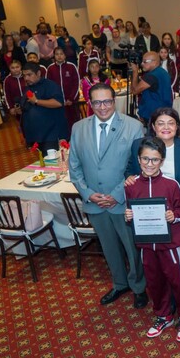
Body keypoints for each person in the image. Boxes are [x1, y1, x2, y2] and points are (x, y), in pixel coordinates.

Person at [68, 83, 147, 309]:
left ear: (115, 101)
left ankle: (139, 288)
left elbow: (139, 166)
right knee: (109, 247)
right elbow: (74, 167)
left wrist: (116, 194)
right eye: (97, 102)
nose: (103, 107)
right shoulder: (78, 128)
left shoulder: (133, 126)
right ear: (89, 103)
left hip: (123, 201)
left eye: (107, 101)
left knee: (132, 249)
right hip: (95, 203)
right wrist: (89, 194)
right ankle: (119, 283)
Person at [124, 136, 180, 341]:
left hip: (169, 244)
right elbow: (130, 212)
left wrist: (174, 216)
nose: (149, 164)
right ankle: (163, 316)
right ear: (138, 159)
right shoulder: (131, 185)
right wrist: (128, 216)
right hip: (146, 245)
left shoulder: (171, 184)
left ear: (162, 161)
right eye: (145, 159)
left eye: (154, 160)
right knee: (154, 282)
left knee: (177, 281)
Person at [21, 61, 69, 151]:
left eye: (29, 75)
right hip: (37, 136)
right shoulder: (29, 87)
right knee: (44, 162)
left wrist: (36, 101)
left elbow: (58, 103)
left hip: (51, 135)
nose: (26, 78)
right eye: (24, 75)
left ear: (38, 73)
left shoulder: (50, 85)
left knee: (53, 162)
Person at [130, 51, 173, 125]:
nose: (142, 64)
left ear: (154, 62)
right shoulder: (163, 72)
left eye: (145, 62)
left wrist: (135, 72)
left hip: (153, 114)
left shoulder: (151, 76)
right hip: (164, 111)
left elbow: (134, 91)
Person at [46, 47, 81, 131]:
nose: (59, 56)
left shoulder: (71, 66)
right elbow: (48, 86)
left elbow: (76, 84)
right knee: (60, 122)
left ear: (65, 55)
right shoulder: (50, 68)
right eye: (57, 54)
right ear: (54, 56)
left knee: (74, 122)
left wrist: (71, 99)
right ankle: (63, 140)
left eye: (61, 54)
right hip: (57, 102)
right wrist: (54, 100)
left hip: (71, 102)